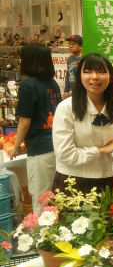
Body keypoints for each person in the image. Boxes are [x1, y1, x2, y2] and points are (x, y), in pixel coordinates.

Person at [52, 53, 113, 194]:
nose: (94, 77)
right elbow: (64, 154)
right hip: (72, 181)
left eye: (101, 71)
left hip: (106, 179)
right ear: (80, 77)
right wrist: (102, 150)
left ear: (111, 76)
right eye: (87, 72)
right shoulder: (66, 108)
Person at [9, 43, 62, 213]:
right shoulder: (52, 83)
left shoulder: (28, 85)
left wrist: (16, 146)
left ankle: (40, 236)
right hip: (55, 144)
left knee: (40, 197)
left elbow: (25, 122)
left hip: (39, 147)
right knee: (53, 195)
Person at [63, 34, 83, 99]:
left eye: (74, 44)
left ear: (81, 46)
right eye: (70, 44)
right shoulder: (70, 58)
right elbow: (68, 75)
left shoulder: (84, 58)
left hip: (82, 91)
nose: (71, 46)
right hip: (72, 92)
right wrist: (66, 90)